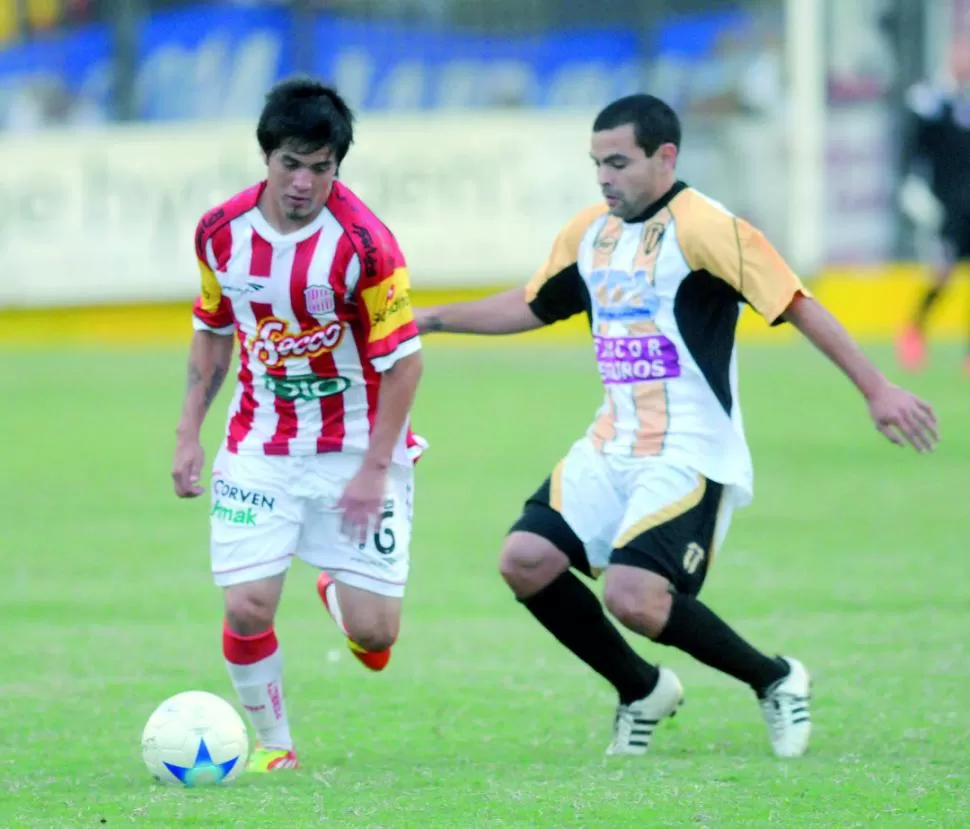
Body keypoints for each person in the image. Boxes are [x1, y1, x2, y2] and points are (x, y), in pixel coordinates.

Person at [415, 94, 939, 759]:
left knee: (634, 597)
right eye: (596, 164)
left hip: (689, 451)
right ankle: (641, 688)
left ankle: (775, 678)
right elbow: (531, 304)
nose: (604, 178)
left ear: (666, 157)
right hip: (612, 442)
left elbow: (797, 303)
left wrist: (877, 388)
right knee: (524, 559)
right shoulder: (590, 232)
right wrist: (430, 320)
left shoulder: (707, 228)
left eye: (618, 163)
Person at [171, 77, 425, 773]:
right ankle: (274, 745)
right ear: (266, 156)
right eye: (292, 162)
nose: (304, 182)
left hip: (355, 447)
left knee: (376, 639)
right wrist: (189, 431)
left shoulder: (367, 245)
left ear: (338, 168)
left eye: (322, 167)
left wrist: (377, 467)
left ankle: (337, 590)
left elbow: (404, 364)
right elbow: (212, 332)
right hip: (260, 443)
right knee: (249, 604)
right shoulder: (221, 234)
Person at [896, 37, 970, 375]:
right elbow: (913, 149)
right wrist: (914, 188)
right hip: (948, 205)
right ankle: (914, 327)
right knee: (942, 275)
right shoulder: (931, 101)